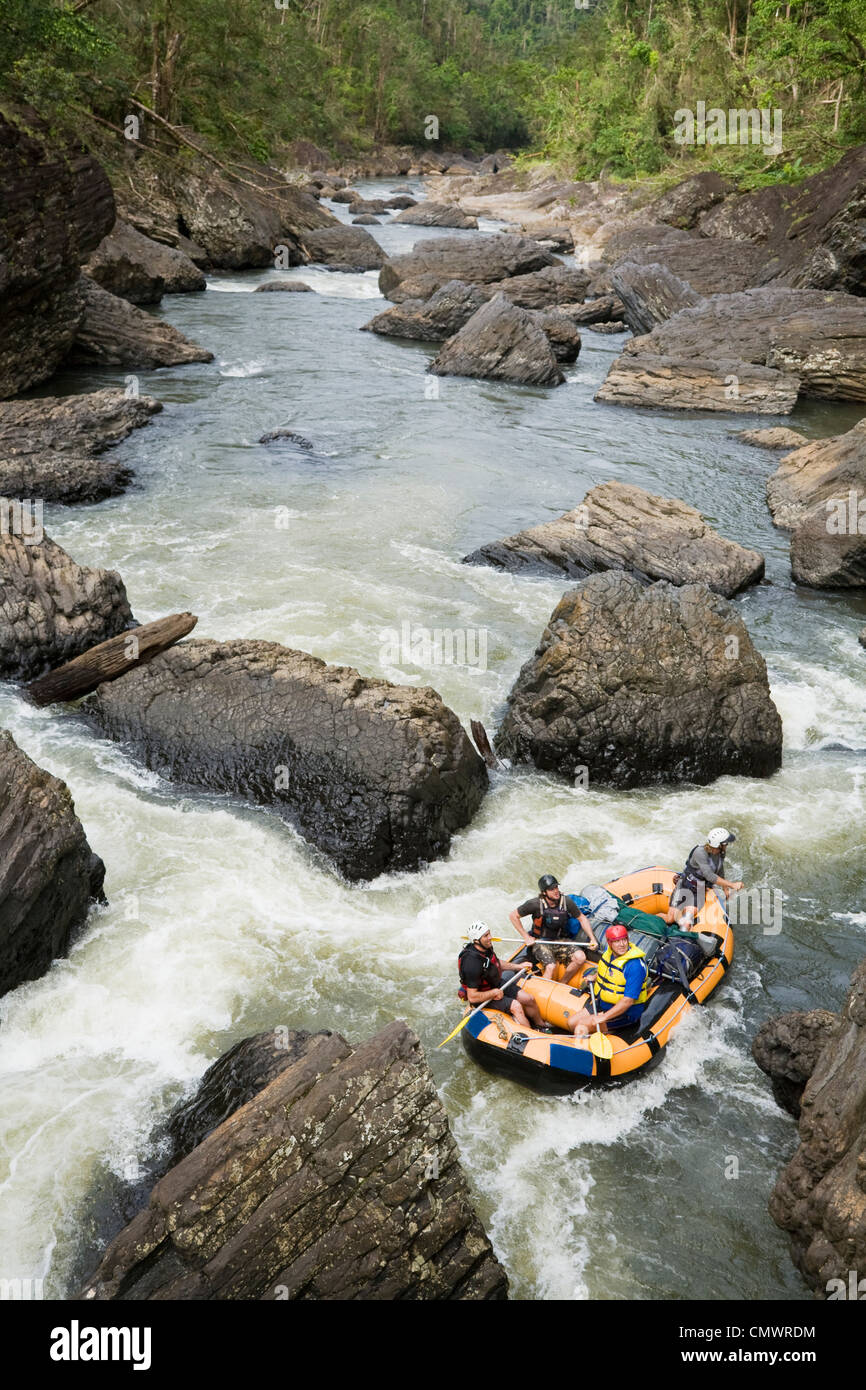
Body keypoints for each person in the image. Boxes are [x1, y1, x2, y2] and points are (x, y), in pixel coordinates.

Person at [509, 874, 599, 985]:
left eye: (556, 887)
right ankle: (545, 991)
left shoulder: (566, 902)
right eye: (552, 889)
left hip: (559, 940)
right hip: (540, 942)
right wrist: (526, 936)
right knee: (551, 966)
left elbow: (582, 918)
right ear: (544, 892)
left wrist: (592, 939)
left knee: (580, 957)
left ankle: (563, 982)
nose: (556, 891)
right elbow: (513, 916)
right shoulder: (534, 904)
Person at [458, 921, 545, 1031]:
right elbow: (472, 997)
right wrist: (493, 993)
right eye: (486, 936)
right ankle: (533, 1036)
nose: (490, 937)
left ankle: (542, 1026)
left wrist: (518, 966)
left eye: (489, 933)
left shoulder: (485, 947)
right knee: (516, 1006)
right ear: (476, 940)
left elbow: (496, 963)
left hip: (496, 984)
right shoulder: (471, 964)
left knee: (528, 999)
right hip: (482, 996)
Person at [569, 923, 648, 1037]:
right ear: (610, 943)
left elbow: (628, 1001)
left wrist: (603, 1017)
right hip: (604, 1003)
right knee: (571, 1023)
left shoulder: (635, 966)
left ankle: (611, 1033)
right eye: (616, 941)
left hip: (626, 1012)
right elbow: (609, 970)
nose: (621, 944)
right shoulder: (609, 953)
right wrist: (595, 976)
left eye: (624, 940)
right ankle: (604, 1030)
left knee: (582, 1025)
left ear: (627, 940)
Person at [665, 827, 744, 921]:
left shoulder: (721, 852)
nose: (727, 845)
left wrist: (725, 888)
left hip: (699, 891)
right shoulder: (699, 853)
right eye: (726, 843)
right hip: (685, 885)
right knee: (669, 919)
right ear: (719, 845)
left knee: (686, 920)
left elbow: (719, 868)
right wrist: (732, 884)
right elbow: (709, 876)